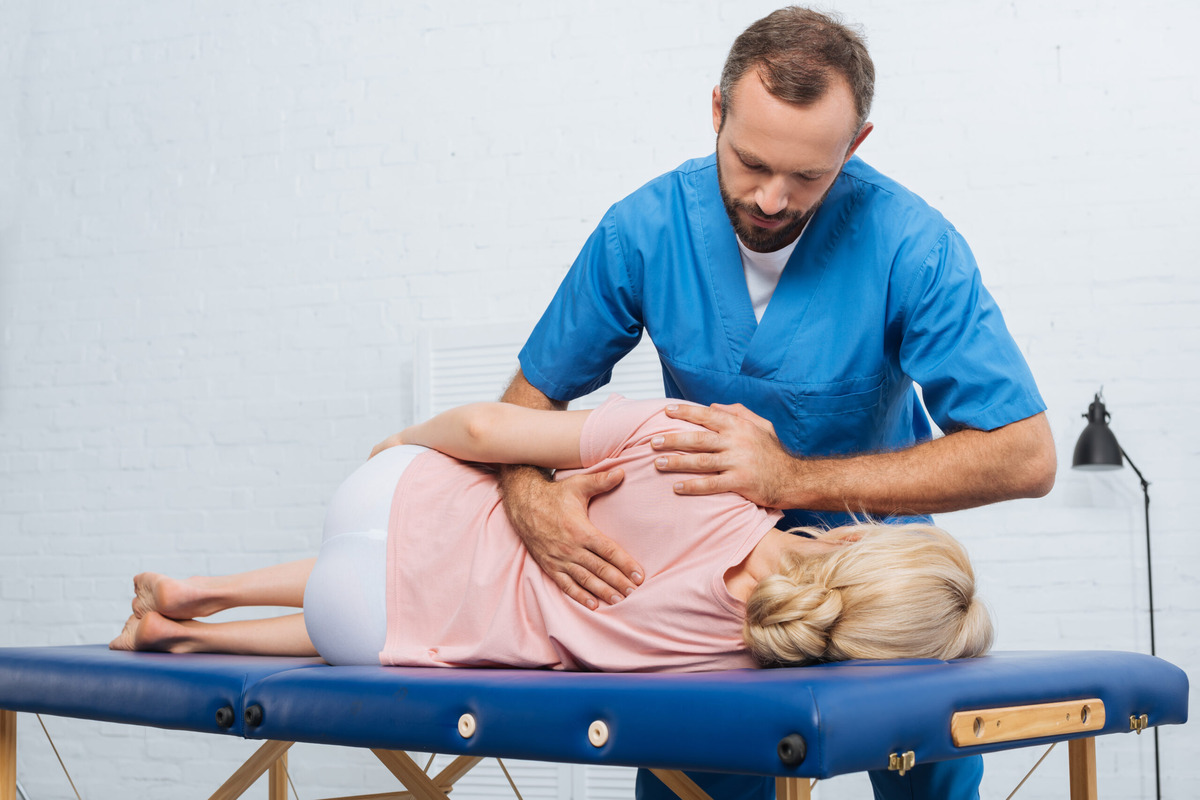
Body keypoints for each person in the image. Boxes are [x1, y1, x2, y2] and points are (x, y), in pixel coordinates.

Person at [460, 7, 1056, 799]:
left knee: (930, 774)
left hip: (876, 578)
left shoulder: (913, 245)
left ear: (855, 146)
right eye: (750, 163)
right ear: (717, 110)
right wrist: (531, 500)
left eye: (808, 176)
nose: (772, 198)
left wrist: (792, 480)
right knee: (698, 777)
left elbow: (1026, 454)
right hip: (707, 579)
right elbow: (525, 406)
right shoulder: (644, 231)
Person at [111, 396, 993, 674]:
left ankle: (200, 594)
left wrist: (402, 441)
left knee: (428, 547)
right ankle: (185, 631)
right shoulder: (739, 658)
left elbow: (488, 431)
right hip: (368, 625)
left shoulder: (687, 442)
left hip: (393, 493)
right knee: (403, 594)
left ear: (852, 540)